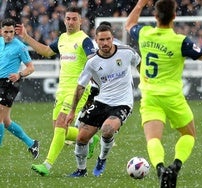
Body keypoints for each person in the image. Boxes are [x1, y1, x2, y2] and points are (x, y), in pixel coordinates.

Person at [125, 0, 202, 187]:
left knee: (153, 139)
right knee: (188, 135)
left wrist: (140, 4)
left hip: (150, 97)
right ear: (175, 16)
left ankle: (160, 168)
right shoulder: (180, 41)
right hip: (173, 98)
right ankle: (175, 166)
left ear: (155, 16)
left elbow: (129, 24)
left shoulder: (144, 34)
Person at [15, 7, 98, 176]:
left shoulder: (85, 40)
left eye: (74, 19)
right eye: (68, 18)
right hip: (62, 90)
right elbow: (45, 51)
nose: (70, 22)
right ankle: (88, 137)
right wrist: (26, 37)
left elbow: (93, 62)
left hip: (77, 90)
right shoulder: (62, 39)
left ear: (80, 21)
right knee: (60, 131)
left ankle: (47, 165)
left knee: (61, 124)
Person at [65, 24, 141, 177]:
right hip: (102, 101)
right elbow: (80, 86)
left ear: (113, 39)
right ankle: (81, 170)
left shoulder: (126, 52)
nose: (105, 43)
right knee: (81, 137)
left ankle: (102, 159)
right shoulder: (92, 62)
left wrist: (148, 85)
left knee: (107, 129)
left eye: (108, 39)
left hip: (123, 102)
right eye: (102, 40)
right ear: (96, 40)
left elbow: (140, 64)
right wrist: (72, 111)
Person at [0, 18, 39, 159]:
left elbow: (31, 67)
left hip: (10, 83)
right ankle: (32, 143)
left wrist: (19, 74)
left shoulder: (19, 46)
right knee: (6, 121)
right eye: (6, 32)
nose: (9, 35)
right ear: (1, 31)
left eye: (11, 32)